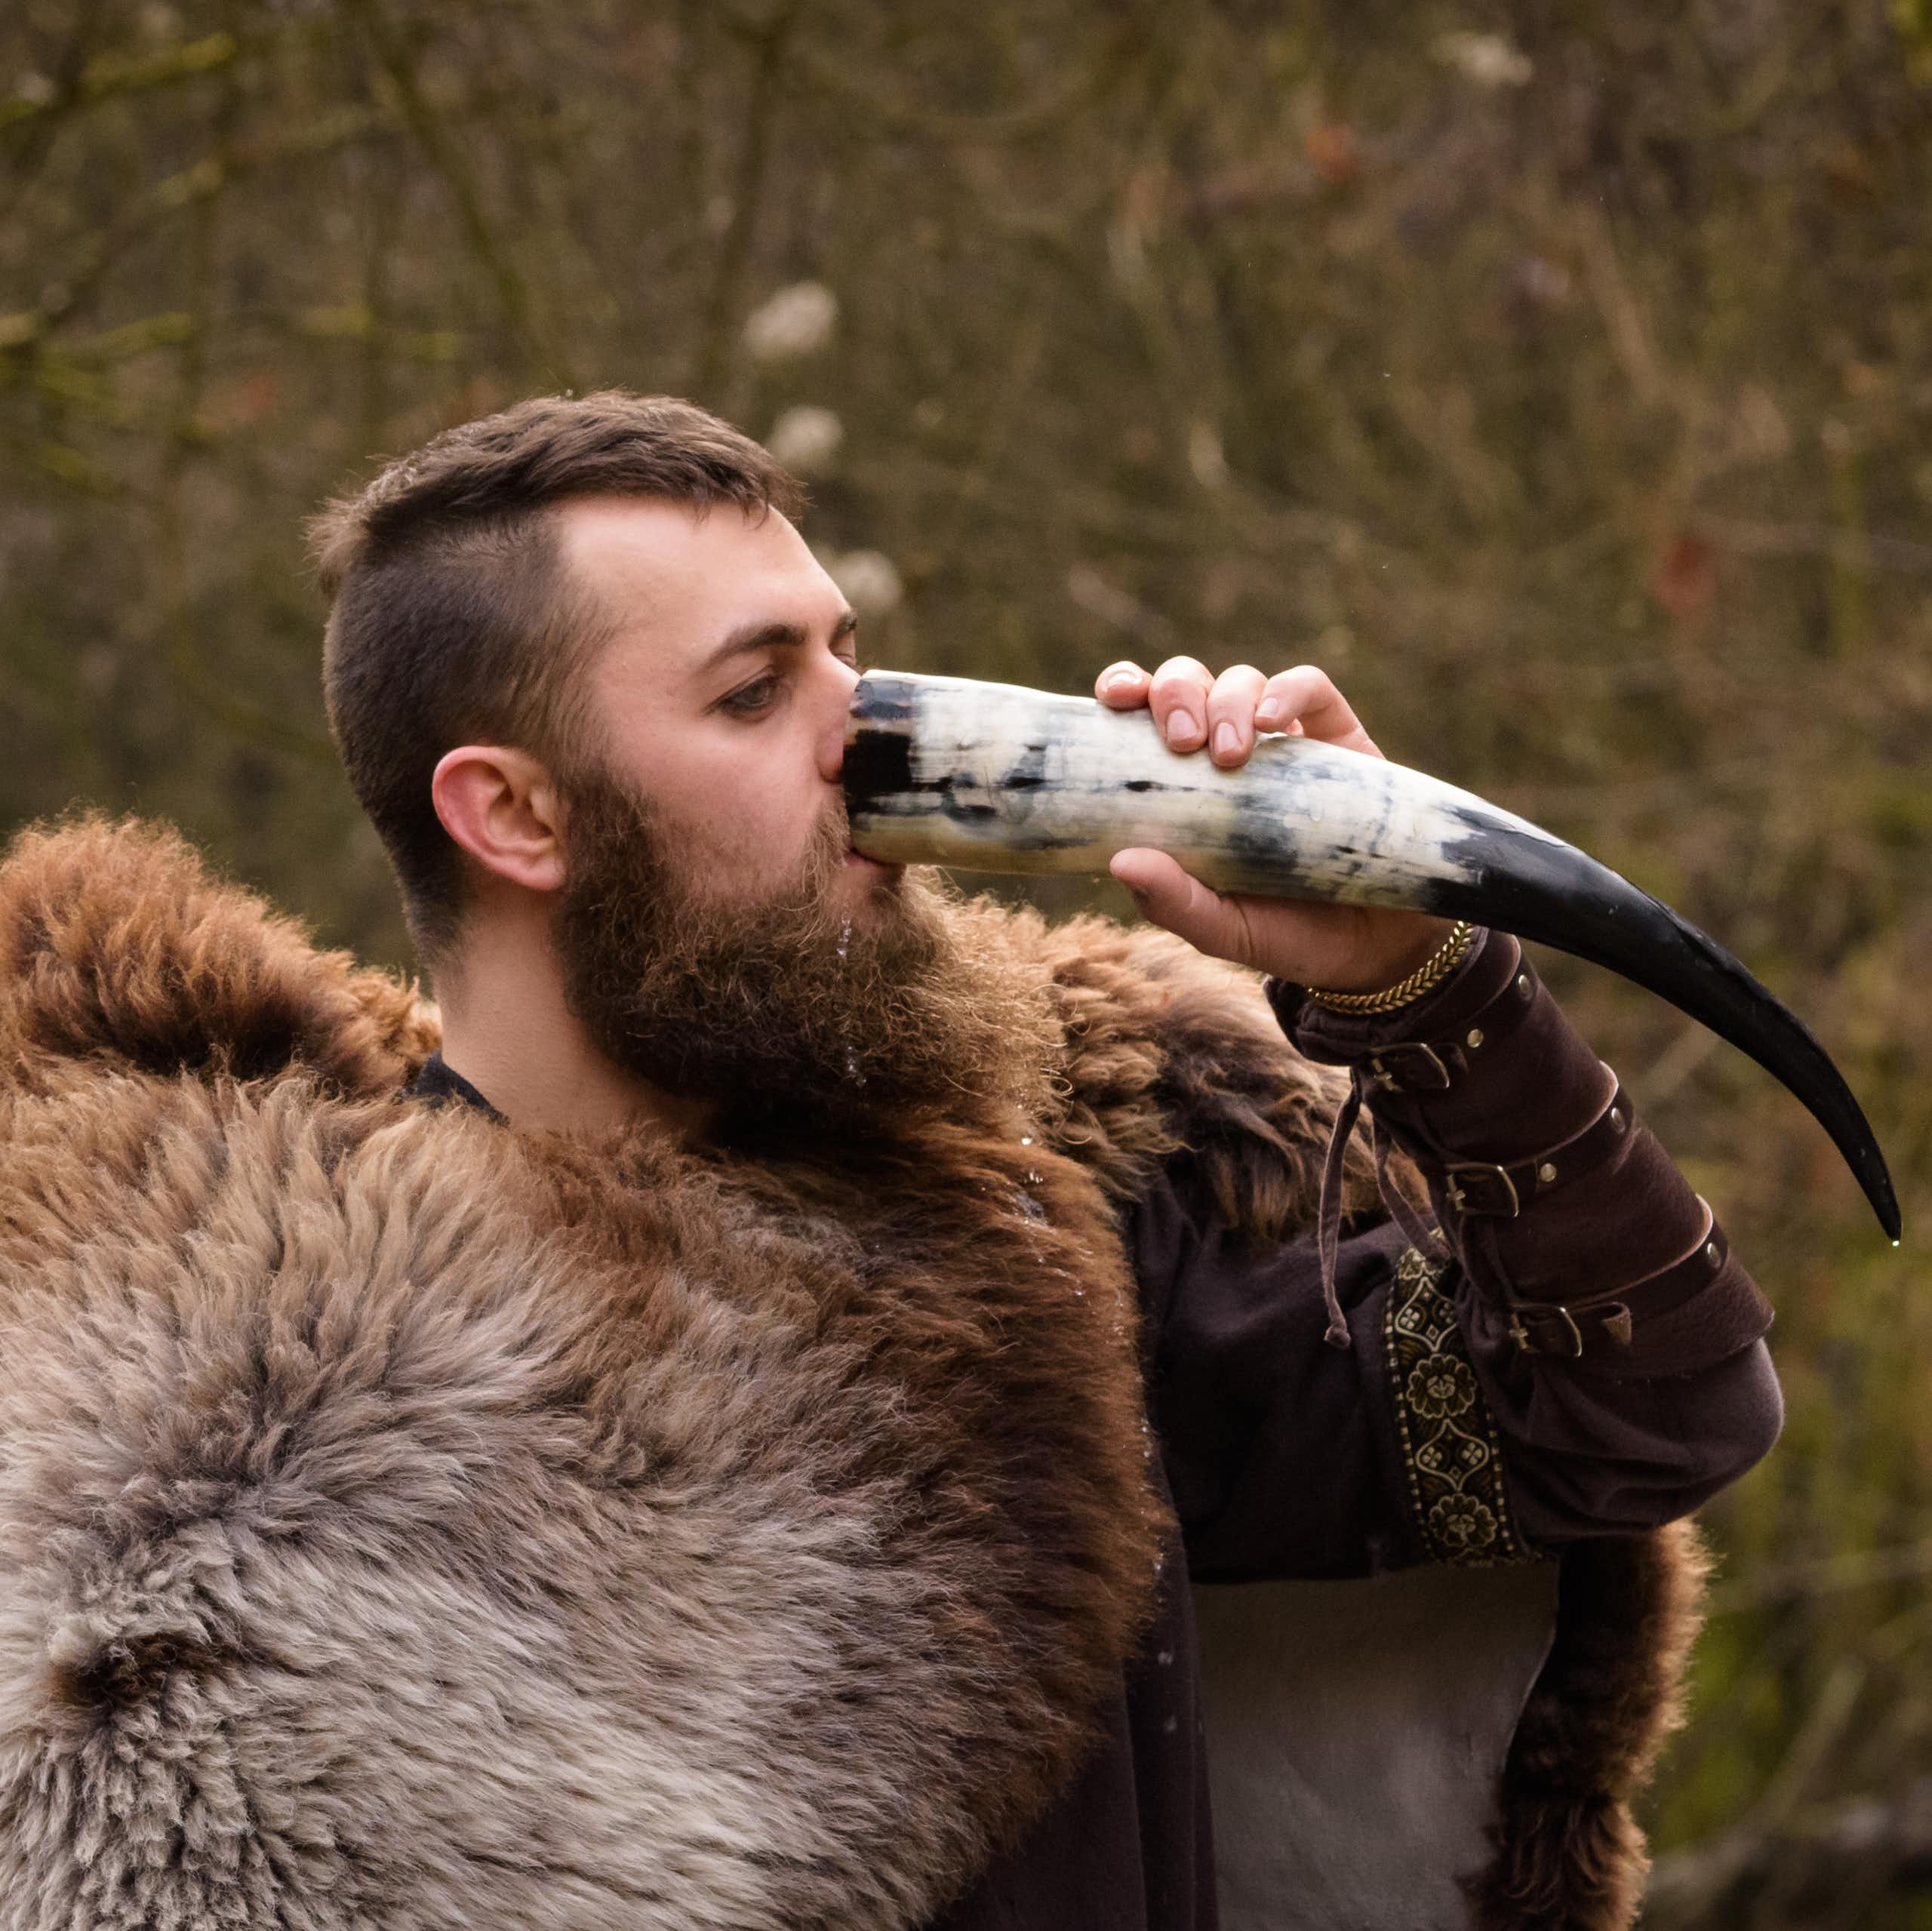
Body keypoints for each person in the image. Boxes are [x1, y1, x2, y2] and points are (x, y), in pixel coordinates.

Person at [0, 392, 1780, 1931]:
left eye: (844, 653)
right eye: (754, 691)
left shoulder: (1027, 1250)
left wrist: (1418, 984)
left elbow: (1640, 1413)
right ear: (514, 812)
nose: (868, 738)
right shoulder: (265, 1452)